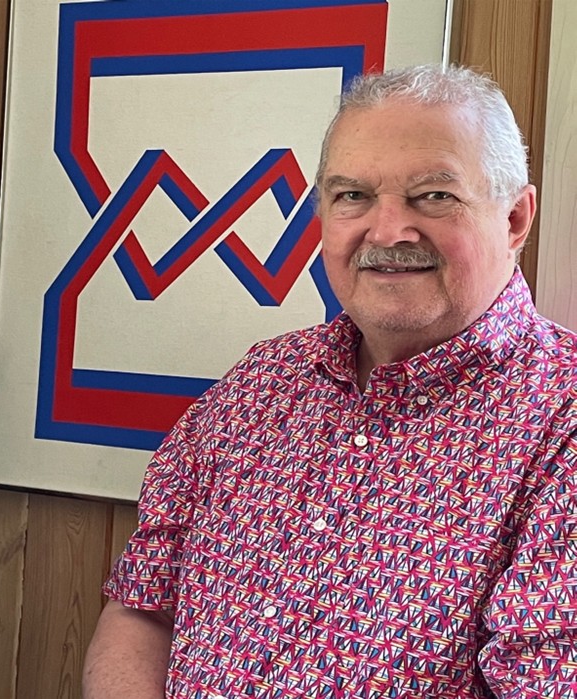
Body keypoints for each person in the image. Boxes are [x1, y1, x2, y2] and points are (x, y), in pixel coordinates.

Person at [83, 64, 577, 698]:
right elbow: (142, 606)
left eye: (434, 195)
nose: (388, 231)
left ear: (515, 219)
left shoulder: (562, 423)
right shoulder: (258, 384)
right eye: (352, 196)